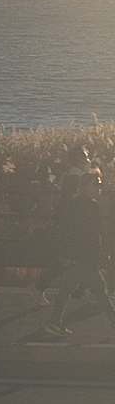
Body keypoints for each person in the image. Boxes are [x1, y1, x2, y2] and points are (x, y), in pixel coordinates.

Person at [44, 167, 115, 337]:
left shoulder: (76, 204)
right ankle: (54, 322)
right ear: (85, 186)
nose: (99, 188)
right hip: (86, 256)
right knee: (99, 292)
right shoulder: (91, 206)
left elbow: (66, 230)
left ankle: (54, 322)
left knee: (71, 288)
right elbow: (92, 234)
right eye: (95, 185)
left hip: (80, 256)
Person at [35, 143, 92, 306]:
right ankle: (41, 287)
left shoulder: (75, 175)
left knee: (77, 258)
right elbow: (72, 202)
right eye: (85, 157)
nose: (88, 160)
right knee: (67, 259)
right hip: (73, 225)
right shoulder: (75, 177)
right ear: (78, 160)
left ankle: (81, 289)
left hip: (73, 224)